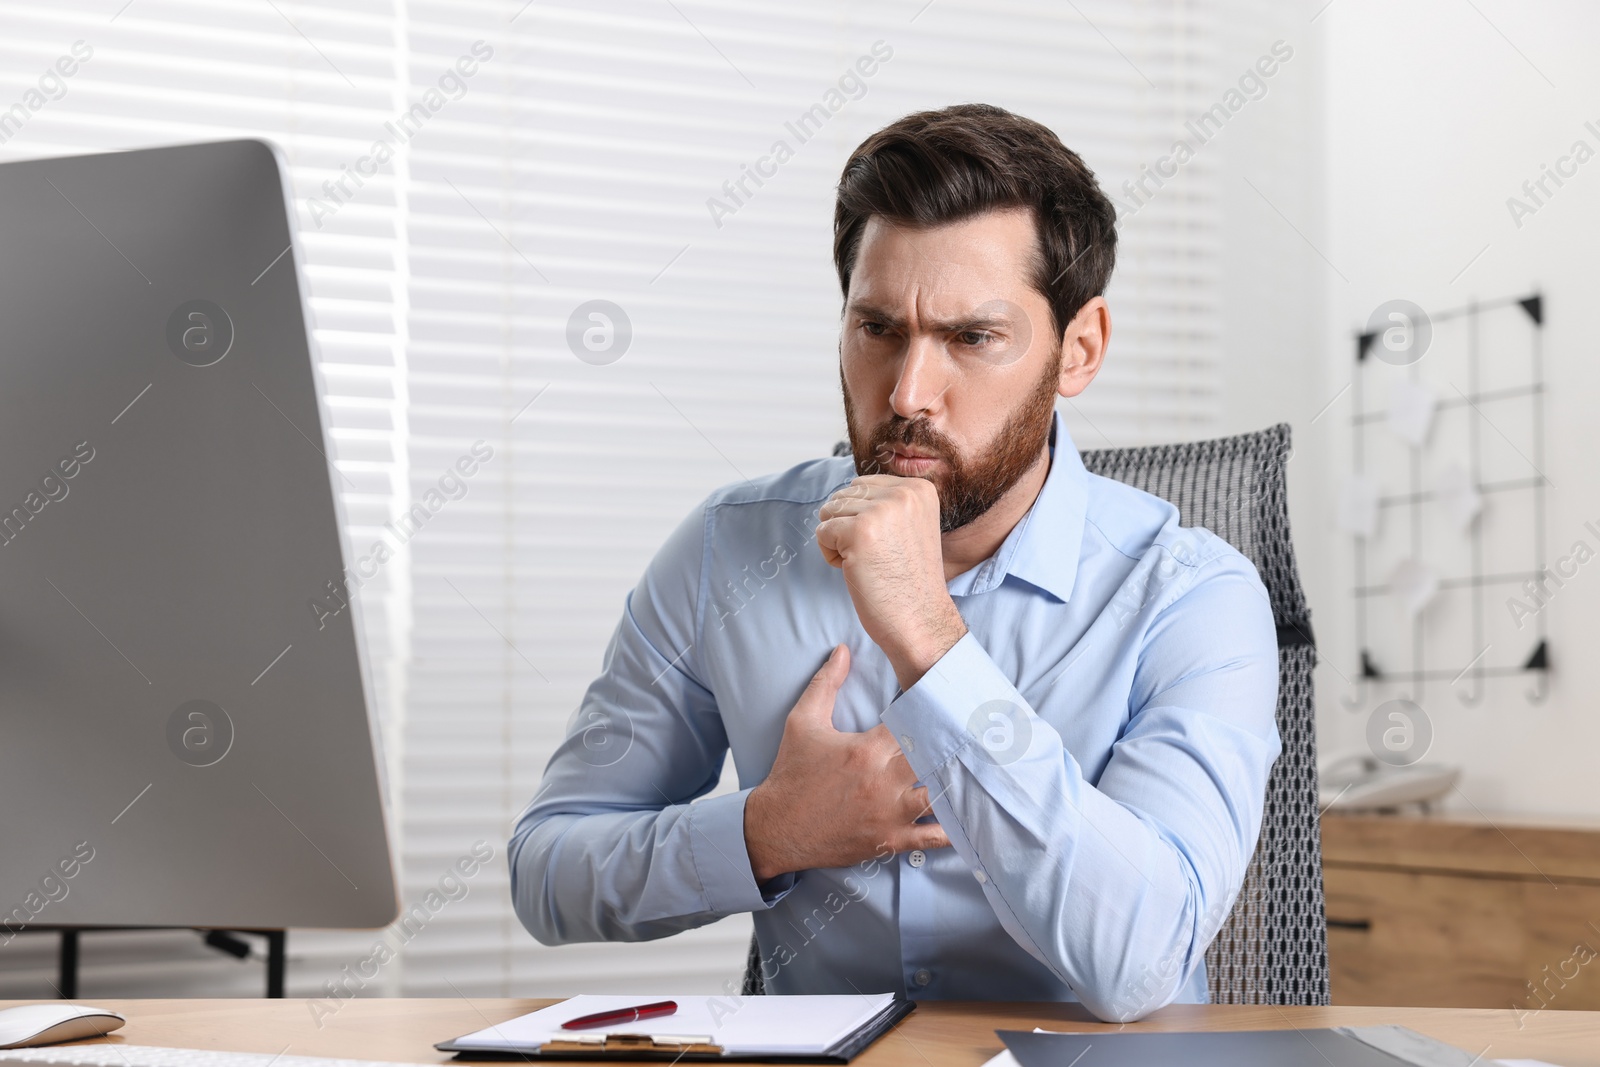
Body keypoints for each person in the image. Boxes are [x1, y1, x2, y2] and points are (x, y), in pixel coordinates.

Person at [508, 103, 1280, 1021]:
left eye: (972, 338)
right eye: (878, 328)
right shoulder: (729, 550)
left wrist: (933, 642)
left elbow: (1142, 962)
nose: (909, 392)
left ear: (1080, 349)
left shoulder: (1195, 596)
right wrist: (767, 831)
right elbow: (548, 867)